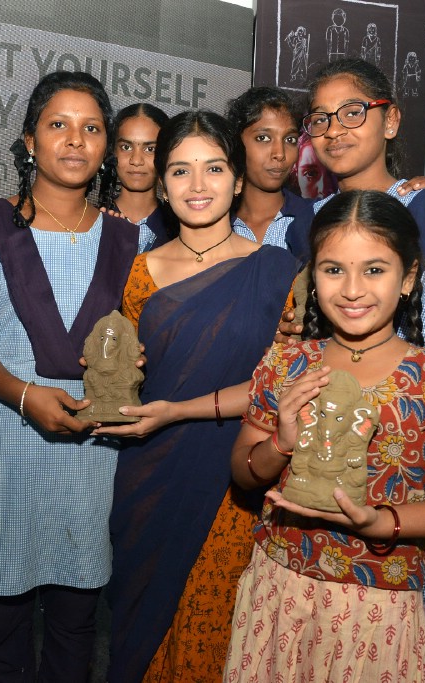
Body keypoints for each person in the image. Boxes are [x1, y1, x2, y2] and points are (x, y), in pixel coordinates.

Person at [223, 190, 425, 682]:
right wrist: (281, 444)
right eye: (334, 270)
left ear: (409, 277)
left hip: (375, 602)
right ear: (314, 278)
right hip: (277, 586)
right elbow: (243, 473)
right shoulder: (286, 362)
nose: (352, 290)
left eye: (374, 270)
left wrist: (384, 523)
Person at [0, 70, 148, 683]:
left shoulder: (132, 239)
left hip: (92, 456)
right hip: (2, 440)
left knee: (76, 623)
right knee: (2, 630)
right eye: (57, 125)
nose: (73, 140)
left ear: (105, 147)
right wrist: (26, 395)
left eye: (91, 128)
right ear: (29, 141)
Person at [99, 110, 299, 683]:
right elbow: (132, 374)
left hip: (238, 475)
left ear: (238, 179)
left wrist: (180, 410)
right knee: (142, 629)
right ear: (160, 186)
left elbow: (284, 383)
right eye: (180, 171)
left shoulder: (278, 271)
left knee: (218, 633)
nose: (197, 185)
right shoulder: (140, 272)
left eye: (213, 168)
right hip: (148, 472)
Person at [304, 58, 425, 365]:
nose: (333, 130)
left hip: (407, 400)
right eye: (321, 119)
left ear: (390, 121)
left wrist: (380, 382)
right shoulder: (303, 221)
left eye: (352, 113)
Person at [226, 86, 315, 264]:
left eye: (290, 140)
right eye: (263, 138)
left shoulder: (315, 218)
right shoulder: (214, 224)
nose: (279, 153)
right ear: (236, 144)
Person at [100, 102, 170, 247]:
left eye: (150, 149)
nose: (136, 160)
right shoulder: (91, 222)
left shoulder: (180, 231)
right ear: (112, 151)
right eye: (126, 147)